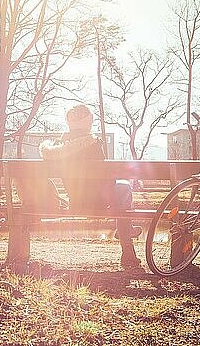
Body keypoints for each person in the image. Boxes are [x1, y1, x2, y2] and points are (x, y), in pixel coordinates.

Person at [39, 104, 142, 268]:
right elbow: (106, 180)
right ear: (87, 122)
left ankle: (125, 229)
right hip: (98, 201)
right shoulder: (93, 144)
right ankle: (126, 243)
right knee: (124, 187)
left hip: (76, 201)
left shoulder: (57, 148)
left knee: (122, 189)